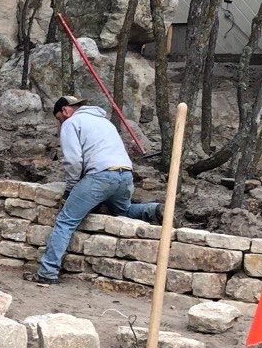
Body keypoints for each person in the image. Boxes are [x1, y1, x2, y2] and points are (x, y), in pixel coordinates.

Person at [24, 95, 163, 285]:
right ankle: (154, 210)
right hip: (125, 174)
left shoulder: (71, 123)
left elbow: (73, 161)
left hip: (100, 176)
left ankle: (47, 272)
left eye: (58, 118)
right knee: (123, 211)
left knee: (65, 221)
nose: (60, 123)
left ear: (65, 110)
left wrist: (71, 188)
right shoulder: (104, 122)